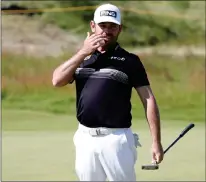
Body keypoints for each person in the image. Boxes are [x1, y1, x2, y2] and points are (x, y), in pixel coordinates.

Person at [52, 3, 164, 181]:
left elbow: (148, 99)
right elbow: (57, 80)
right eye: (102, 26)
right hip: (85, 138)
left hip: (117, 140)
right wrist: (83, 52)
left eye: (112, 26)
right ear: (92, 26)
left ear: (120, 29)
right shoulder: (82, 58)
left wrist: (156, 142)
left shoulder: (130, 61)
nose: (107, 31)